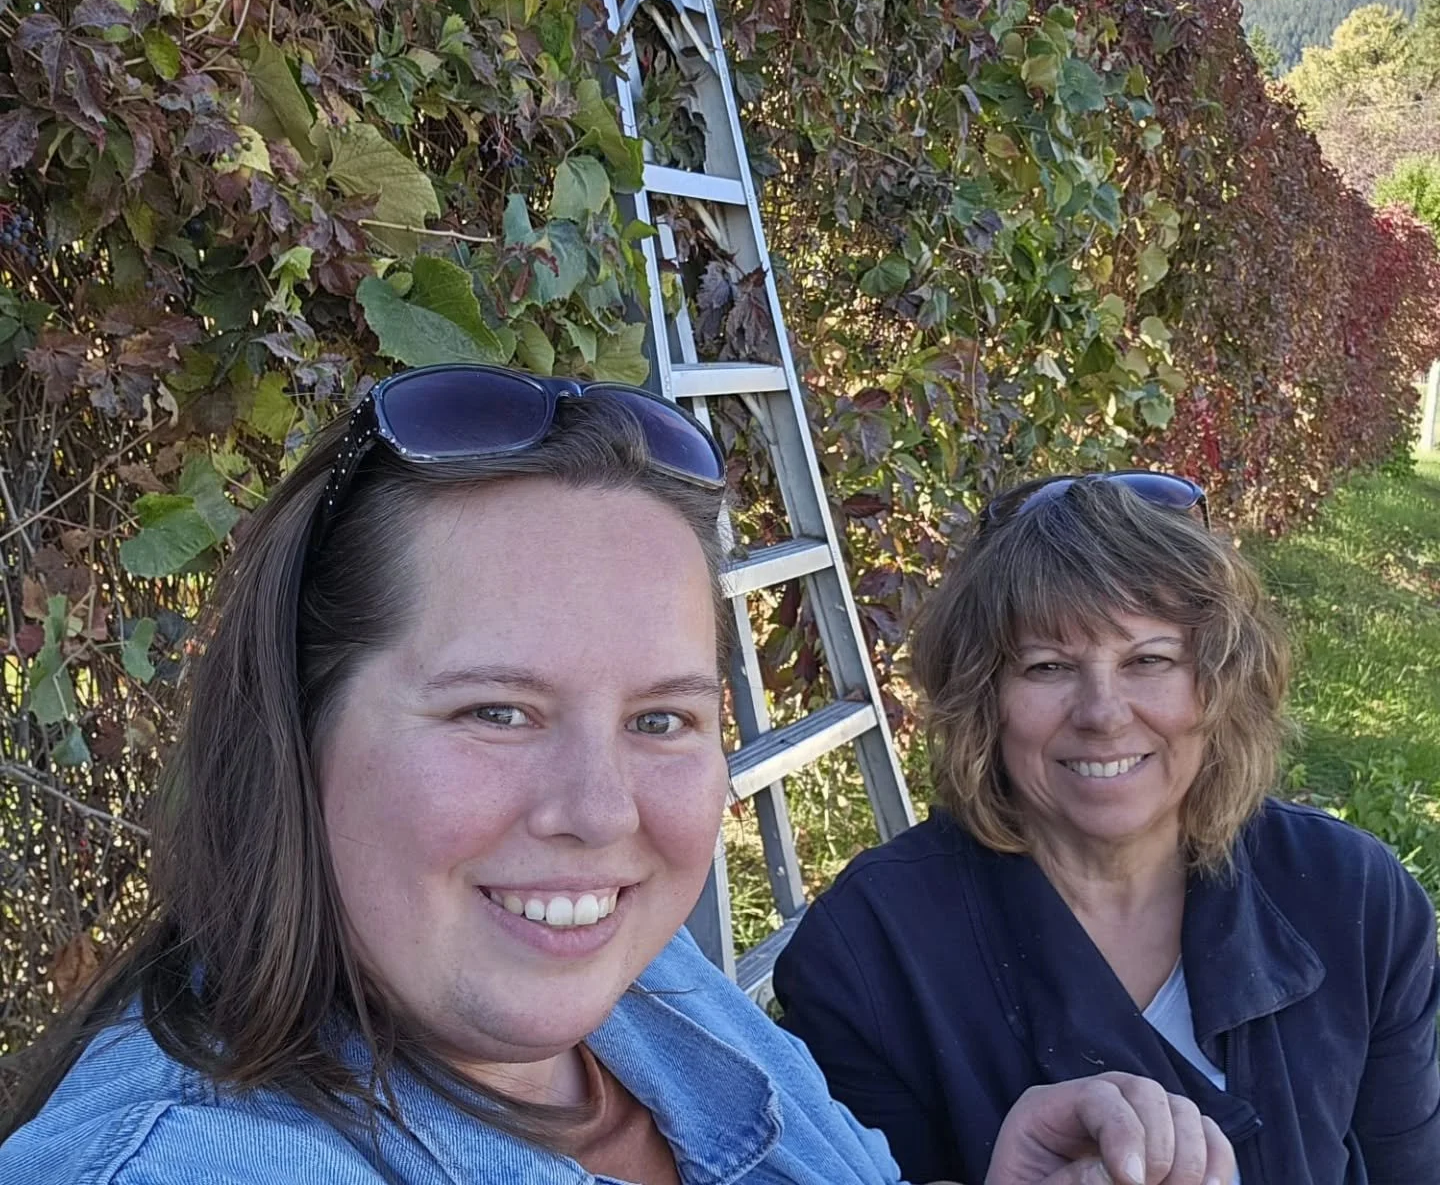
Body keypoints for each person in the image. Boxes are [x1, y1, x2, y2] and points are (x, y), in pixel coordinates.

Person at [0, 377, 1233, 1185]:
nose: (600, 815)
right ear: (294, 727)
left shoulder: (642, 988)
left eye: (661, 719)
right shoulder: (184, 1164)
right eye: (497, 709)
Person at [773, 471, 1440, 1185]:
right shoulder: (868, 954)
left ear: (1218, 682)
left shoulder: (1356, 899)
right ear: (982, 698)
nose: (1103, 713)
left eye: (1148, 660)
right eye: (1048, 666)